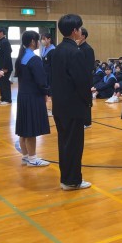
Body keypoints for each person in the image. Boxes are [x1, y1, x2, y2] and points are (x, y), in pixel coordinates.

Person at [52, 14, 92, 190]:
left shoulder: (57, 50)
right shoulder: (75, 52)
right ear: (75, 31)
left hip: (59, 105)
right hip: (73, 106)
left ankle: (66, 178)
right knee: (74, 145)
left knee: (64, 143)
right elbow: (82, 81)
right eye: (79, 28)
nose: (81, 30)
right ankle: (72, 181)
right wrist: (87, 101)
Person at [15, 31, 50, 167]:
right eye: (38, 40)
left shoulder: (21, 57)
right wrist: (46, 92)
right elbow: (41, 80)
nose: (40, 42)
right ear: (32, 42)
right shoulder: (34, 59)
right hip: (33, 97)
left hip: (23, 96)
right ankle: (33, 159)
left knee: (24, 127)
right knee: (31, 129)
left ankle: (26, 156)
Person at [78, 28, 95, 129]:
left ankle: (87, 122)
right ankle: (80, 120)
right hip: (78, 79)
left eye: (79, 34)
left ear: (83, 36)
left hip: (86, 79)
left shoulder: (88, 49)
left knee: (86, 100)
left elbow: (89, 67)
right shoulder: (77, 48)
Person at [0, 27, 12, 105]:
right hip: (0, 67)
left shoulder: (5, 42)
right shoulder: (0, 42)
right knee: (1, 83)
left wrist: (5, 68)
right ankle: (3, 98)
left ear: (1, 33)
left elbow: (7, 56)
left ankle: (7, 99)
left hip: (5, 68)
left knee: (5, 83)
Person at [40, 33, 55, 116]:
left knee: (52, 93)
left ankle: (54, 110)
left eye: (44, 38)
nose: (42, 40)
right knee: (45, 92)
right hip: (44, 75)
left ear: (49, 39)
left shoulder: (53, 50)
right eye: (42, 39)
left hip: (51, 75)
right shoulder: (43, 49)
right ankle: (44, 110)